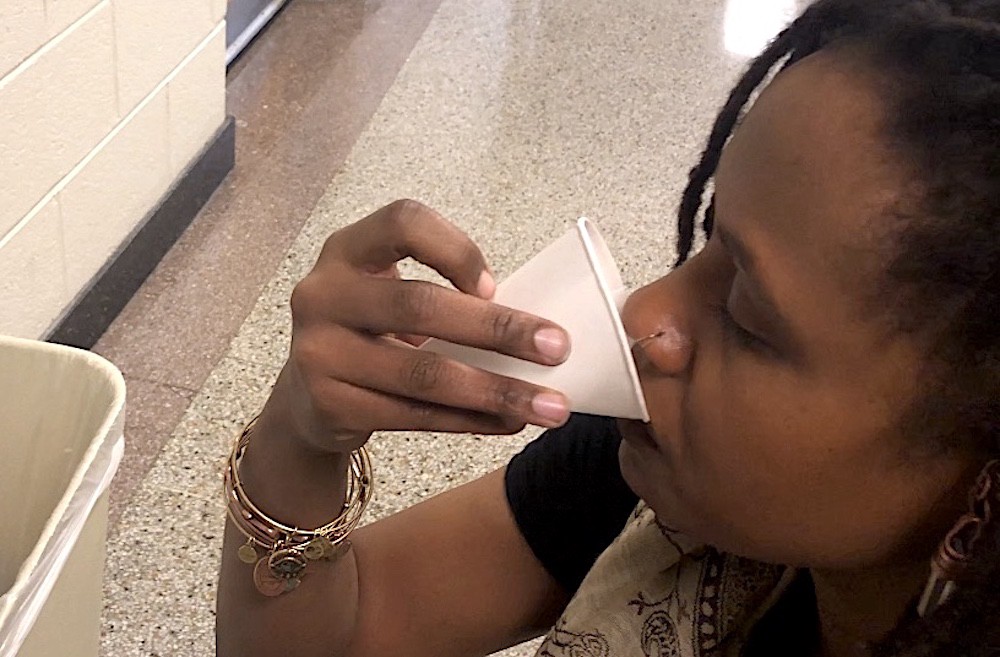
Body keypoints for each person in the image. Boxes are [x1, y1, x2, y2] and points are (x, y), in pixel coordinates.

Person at [215, 0, 1000, 655]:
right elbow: (338, 636)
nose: (644, 314)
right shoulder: (659, 486)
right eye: (708, 234)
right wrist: (298, 438)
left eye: (749, 320)